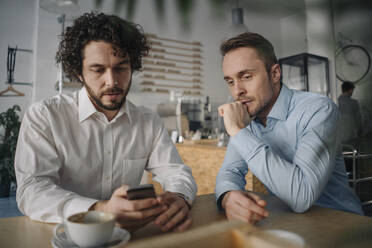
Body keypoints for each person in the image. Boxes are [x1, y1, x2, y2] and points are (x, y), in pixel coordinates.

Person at [15, 12, 197, 233]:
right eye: (98, 69)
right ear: (79, 73)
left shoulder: (148, 122)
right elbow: (32, 191)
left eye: (121, 68)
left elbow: (176, 172)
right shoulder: (44, 116)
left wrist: (179, 197)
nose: (112, 81)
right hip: (60, 236)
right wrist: (99, 210)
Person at [215, 32, 363, 224]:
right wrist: (228, 197)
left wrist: (238, 131)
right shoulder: (247, 117)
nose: (237, 91)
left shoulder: (318, 109)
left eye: (246, 76)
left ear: (275, 73)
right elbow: (229, 172)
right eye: (230, 81)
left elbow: (301, 196)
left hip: (343, 225)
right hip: (292, 224)